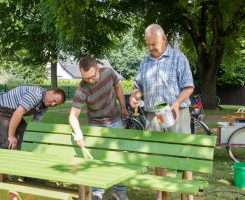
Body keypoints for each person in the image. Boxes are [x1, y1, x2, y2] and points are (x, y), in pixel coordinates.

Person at [129, 24, 194, 200]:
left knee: (184, 153)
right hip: (153, 115)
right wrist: (134, 96)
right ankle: (162, 195)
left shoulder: (178, 58)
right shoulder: (145, 62)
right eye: (148, 44)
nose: (151, 48)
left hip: (177, 112)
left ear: (164, 39)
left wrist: (176, 103)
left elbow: (189, 87)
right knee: (157, 154)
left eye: (154, 44)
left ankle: (186, 194)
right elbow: (137, 87)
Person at [69, 56, 128, 200]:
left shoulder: (108, 73)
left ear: (97, 68)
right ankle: (97, 193)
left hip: (114, 120)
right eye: (85, 78)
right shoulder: (82, 88)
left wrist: (123, 106)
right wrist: (78, 132)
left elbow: (118, 86)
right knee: (96, 158)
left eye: (91, 77)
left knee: (120, 156)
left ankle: (119, 191)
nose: (89, 81)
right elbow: (72, 116)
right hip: (95, 124)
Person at [0, 86, 66, 150]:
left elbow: (35, 123)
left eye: (56, 104)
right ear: (51, 91)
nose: (53, 104)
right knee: (8, 142)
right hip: (1, 109)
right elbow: (18, 113)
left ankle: (21, 163)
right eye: (54, 100)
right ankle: (5, 165)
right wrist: (11, 136)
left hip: (14, 113)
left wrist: (34, 139)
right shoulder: (35, 94)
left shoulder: (44, 107)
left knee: (26, 139)